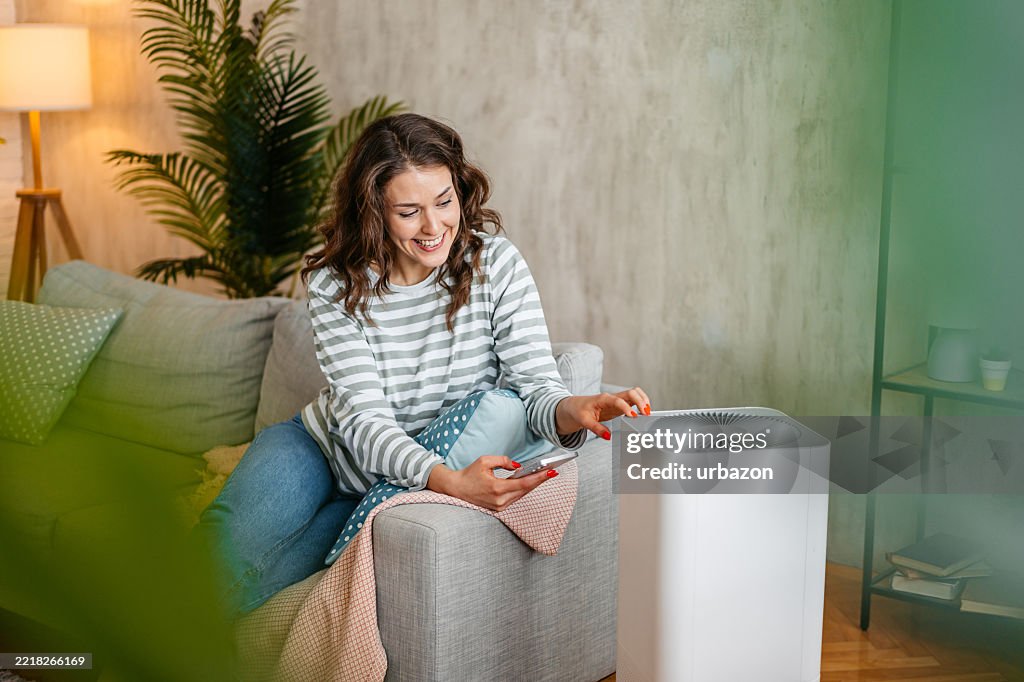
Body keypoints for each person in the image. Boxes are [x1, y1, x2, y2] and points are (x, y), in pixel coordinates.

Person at [195, 113, 651, 617]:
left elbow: (536, 391)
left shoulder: (495, 265)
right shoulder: (335, 284)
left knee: (247, 590)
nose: (435, 227)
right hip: (319, 448)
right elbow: (365, 423)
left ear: (461, 190)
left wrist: (579, 407)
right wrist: (448, 480)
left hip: (382, 490)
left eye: (445, 201)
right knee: (206, 560)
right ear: (373, 212)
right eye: (409, 211)